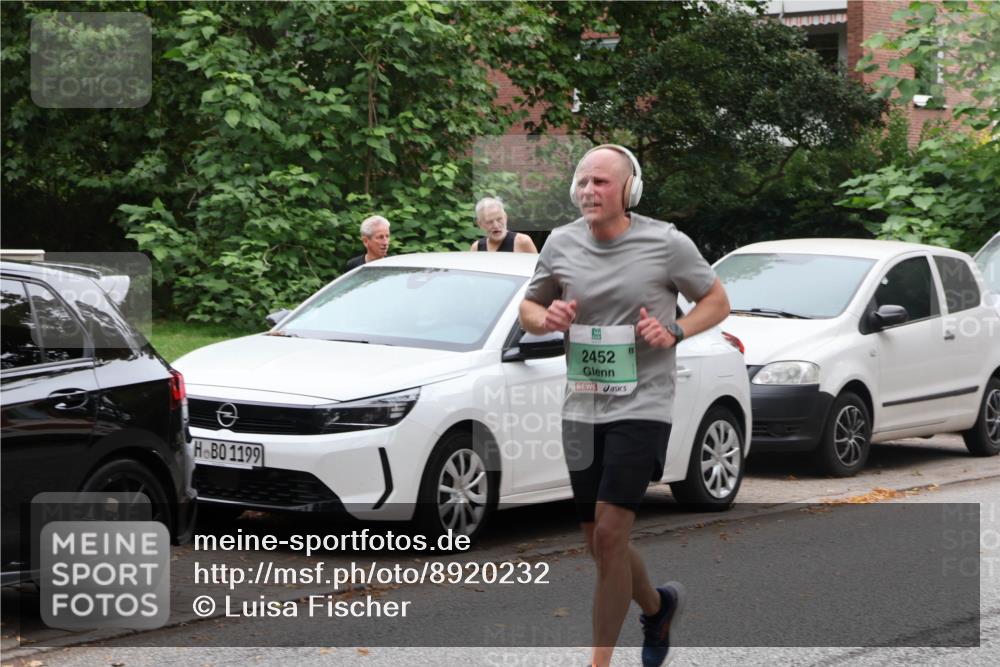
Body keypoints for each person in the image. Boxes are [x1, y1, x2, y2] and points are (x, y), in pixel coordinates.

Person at [519, 145, 730, 667]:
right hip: (581, 406)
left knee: (612, 533)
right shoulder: (561, 244)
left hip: (644, 405)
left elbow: (718, 301)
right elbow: (528, 306)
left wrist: (676, 329)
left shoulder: (666, 242)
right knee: (598, 541)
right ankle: (657, 608)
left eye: (602, 183)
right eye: (584, 182)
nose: (590, 191)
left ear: (629, 189)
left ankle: (599, 662)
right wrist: (546, 319)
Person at [469, 197, 537, 253]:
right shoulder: (476, 247)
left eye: (499, 219)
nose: (496, 225)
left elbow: (539, 269)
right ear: (480, 224)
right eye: (489, 222)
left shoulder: (522, 241)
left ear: (505, 217)